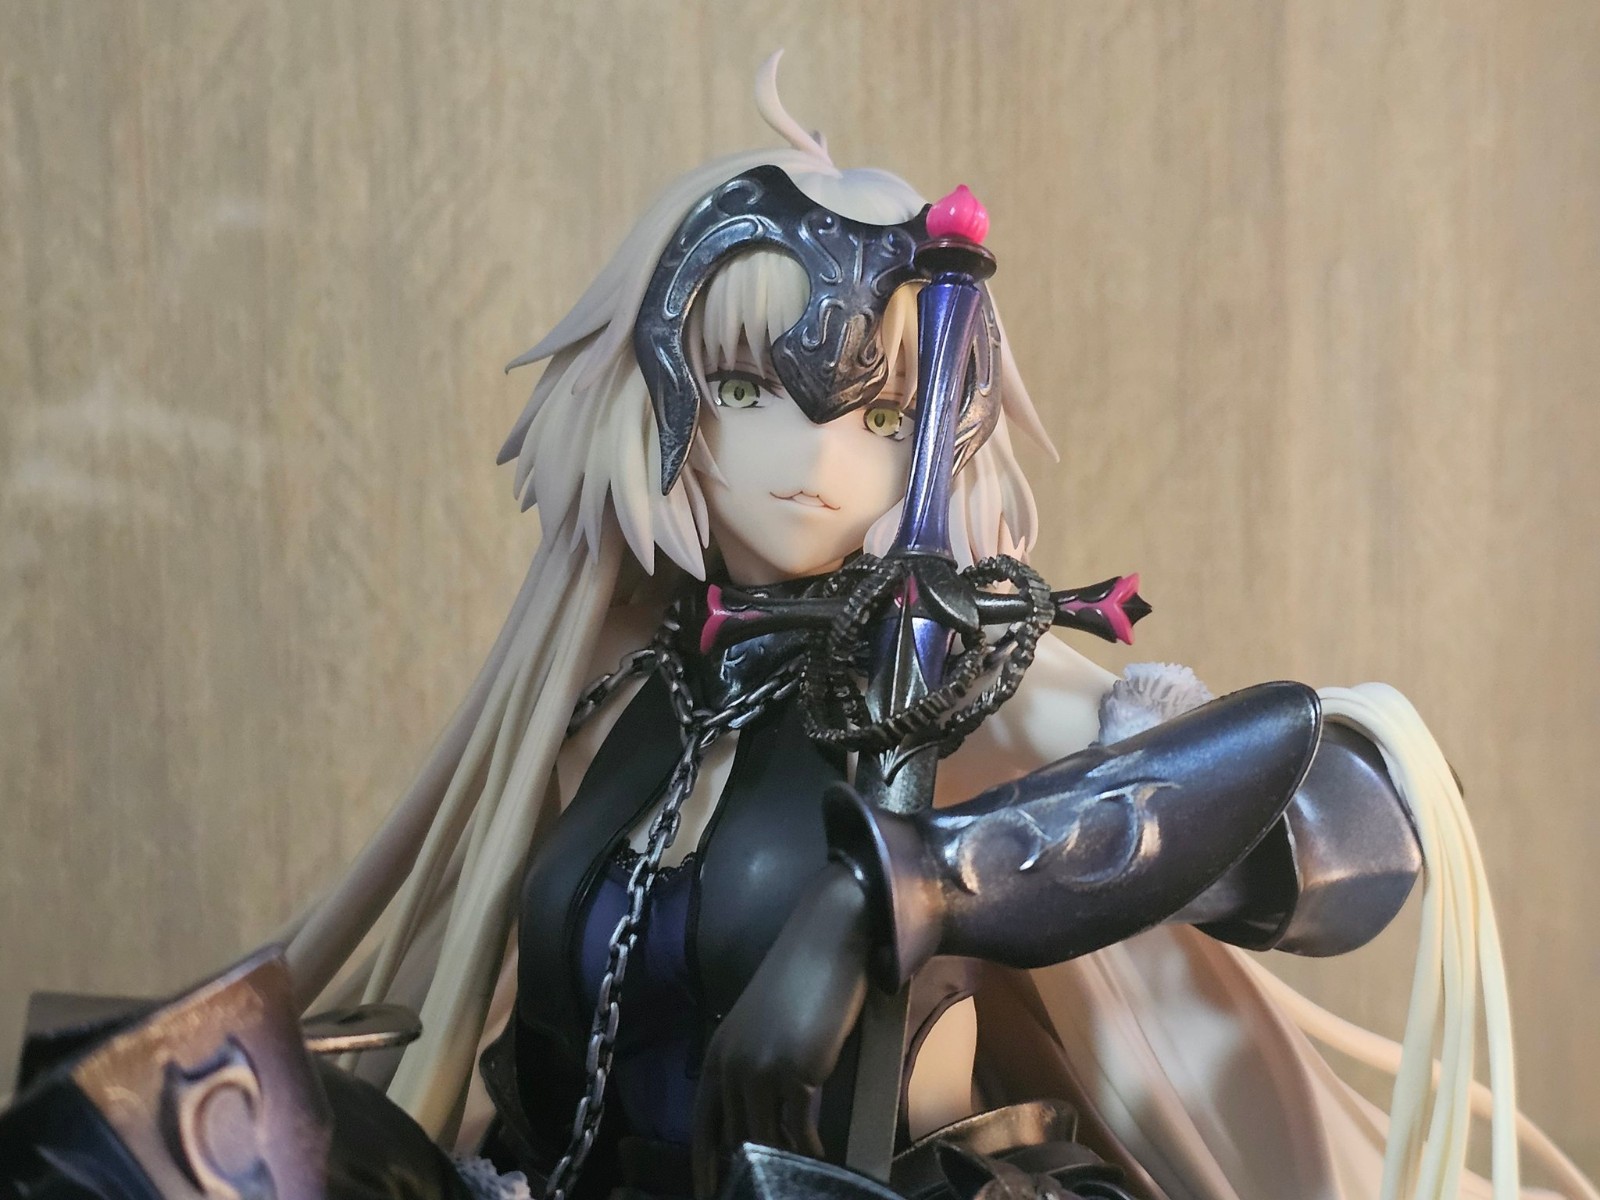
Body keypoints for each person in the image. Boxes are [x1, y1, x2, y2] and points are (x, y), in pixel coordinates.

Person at [277, 54, 1591, 1200]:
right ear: (652, 391)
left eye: (885, 416)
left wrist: (909, 885)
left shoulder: (954, 676)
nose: (818, 460)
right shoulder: (610, 685)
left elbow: (1356, 826)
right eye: (749, 387)